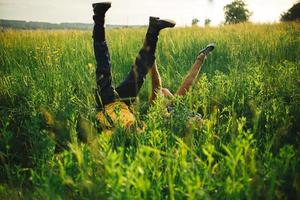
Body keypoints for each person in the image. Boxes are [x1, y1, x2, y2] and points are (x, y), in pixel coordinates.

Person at [92, 2, 215, 131]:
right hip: (124, 102)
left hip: (105, 102)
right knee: (140, 72)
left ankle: (99, 16)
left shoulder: (114, 131)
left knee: (104, 64)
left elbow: (103, 132)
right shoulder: (143, 128)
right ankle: (153, 29)